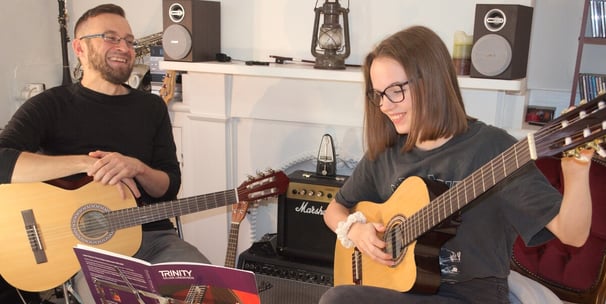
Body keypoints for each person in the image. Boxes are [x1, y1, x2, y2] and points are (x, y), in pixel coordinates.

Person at [319, 25, 594, 303]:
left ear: (431, 81)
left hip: (470, 295)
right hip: (400, 291)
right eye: (378, 94)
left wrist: (577, 171)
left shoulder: (493, 148)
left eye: (395, 90)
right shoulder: (388, 153)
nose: (385, 106)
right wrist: (354, 228)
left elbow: (572, 235)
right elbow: (334, 209)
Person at [0, 4, 209, 303]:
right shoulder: (50, 105)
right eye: (111, 37)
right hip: (84, 251)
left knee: (210, 292)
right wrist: (87, 163)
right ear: (79, 48)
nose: (124, 48)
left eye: (129, 41)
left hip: (154, 239)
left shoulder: (151, 108)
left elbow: (169, 186)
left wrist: (138, 168)